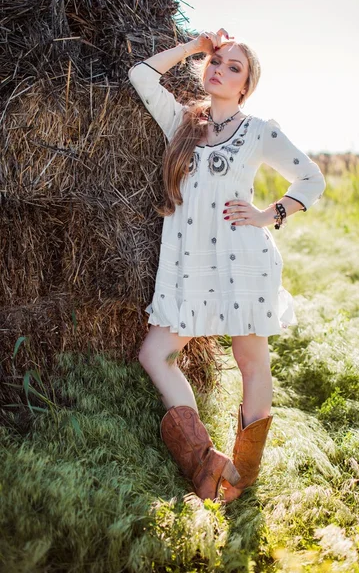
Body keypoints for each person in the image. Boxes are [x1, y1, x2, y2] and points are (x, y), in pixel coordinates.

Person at [129, 28, 326, 503]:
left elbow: (312, 178)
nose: (220, 69)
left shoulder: (260, 131)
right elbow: (141, 74)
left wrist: (269, 214)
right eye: (215, 61)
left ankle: (242, 474)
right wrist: (196, 47)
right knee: (155, 354)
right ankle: (204, 464)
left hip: (245, 261)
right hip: (190, 264)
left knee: (250, 361)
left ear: (246, 85)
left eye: (233, 67)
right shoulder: (182, 123)